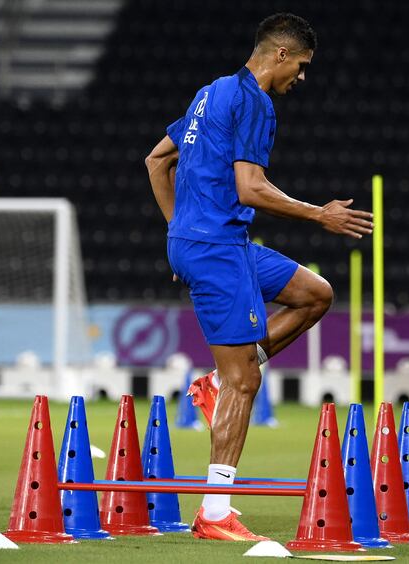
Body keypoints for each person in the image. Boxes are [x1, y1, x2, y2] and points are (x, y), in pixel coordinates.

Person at [145, 13, 373, 541]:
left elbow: (157, 161)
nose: (303, 78)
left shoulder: (210, 93)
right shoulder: (254, 101)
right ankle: (215, 512)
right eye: (303, 66)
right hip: (217, 247)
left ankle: (213, 384)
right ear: (281, 55)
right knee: (245, 381)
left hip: (220, 242)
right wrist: (321, 214)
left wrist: (179, 232)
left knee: (316, 295)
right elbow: (251, 187)